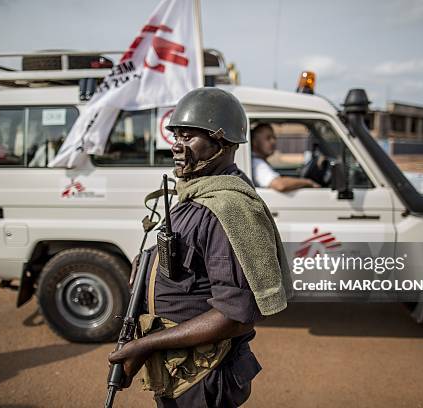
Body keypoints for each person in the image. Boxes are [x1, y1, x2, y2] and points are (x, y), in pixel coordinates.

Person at [108, 87, 291, 407]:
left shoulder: (230, 210)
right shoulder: (195, 195)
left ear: (223, 144)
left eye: (189, 136)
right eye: (176, 136)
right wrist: (148, 263)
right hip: (179, 370)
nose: (177, 146)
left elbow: (235, 316)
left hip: (204, 374)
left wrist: (146, 345)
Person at [251, 122, 320, 192]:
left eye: (274, 137)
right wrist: (308, 182)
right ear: (255, 142)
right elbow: (280, 185)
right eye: (268, 138)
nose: (273, 141)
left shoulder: (259, 161)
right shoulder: (257, 164)